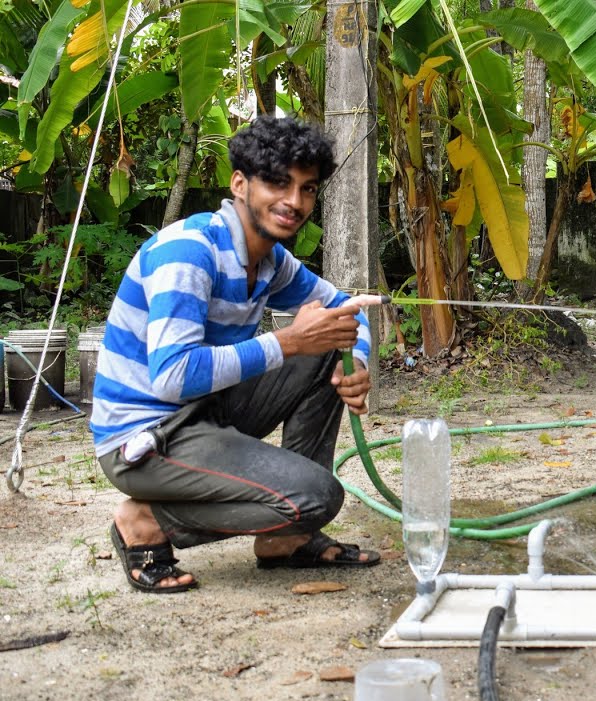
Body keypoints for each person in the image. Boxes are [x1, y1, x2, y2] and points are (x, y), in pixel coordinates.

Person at [91, 115, 380, 593]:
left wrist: (359, 361)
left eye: (307, 189)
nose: (294, 201)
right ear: (240, 184)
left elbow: (346, 309)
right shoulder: (189, 251)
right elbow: (172, 376)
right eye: (278, 183)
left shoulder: (270, 260)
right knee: (317, 495)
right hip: (145, 437)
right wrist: (288, 342)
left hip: (204, 411)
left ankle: (287, 541)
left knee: (329, 345)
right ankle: (147, 523)